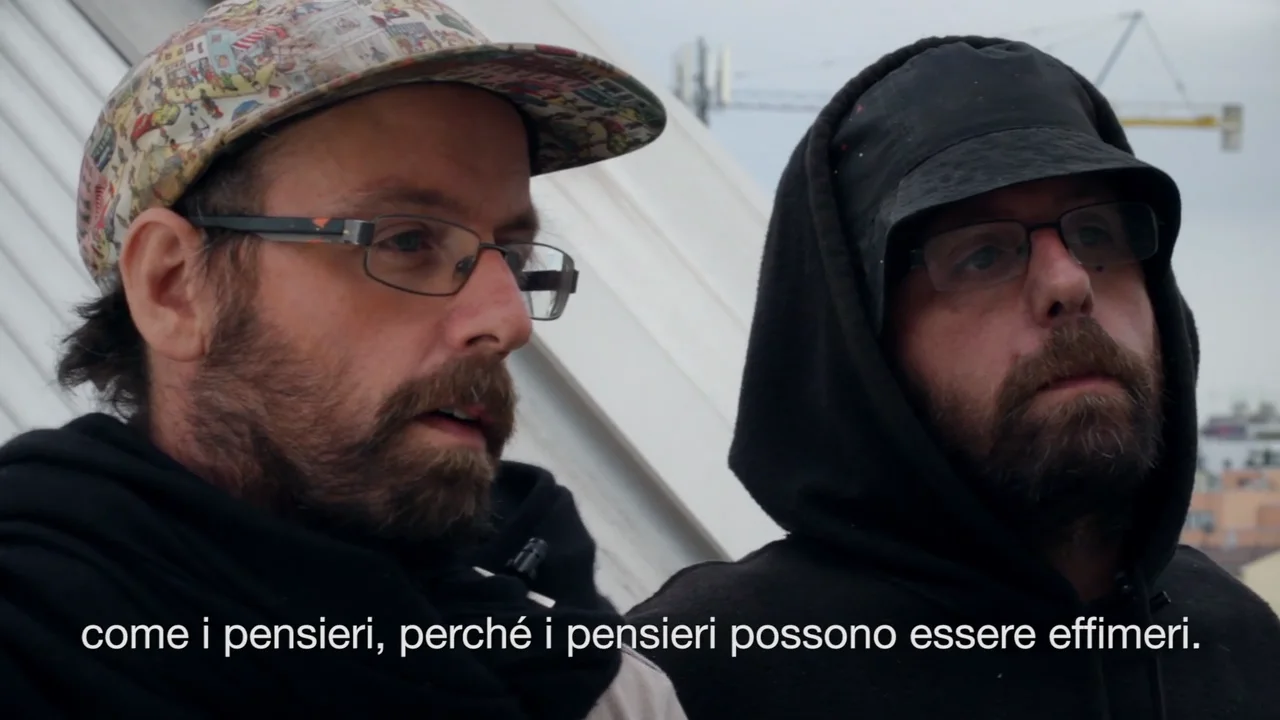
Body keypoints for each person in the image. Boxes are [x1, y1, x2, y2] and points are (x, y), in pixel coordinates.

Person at [0, 0, 686, 718]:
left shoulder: (602, 688)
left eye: (511, 257)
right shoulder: (33, 634)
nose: (508, 320)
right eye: (406, 240)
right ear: (174, 288)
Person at [628, 35, 1280, 719]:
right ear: (866, 346)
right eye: (982, 255)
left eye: (1097, 235)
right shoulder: (701, 678)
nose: (1068, 283)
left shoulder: (1238, 644)